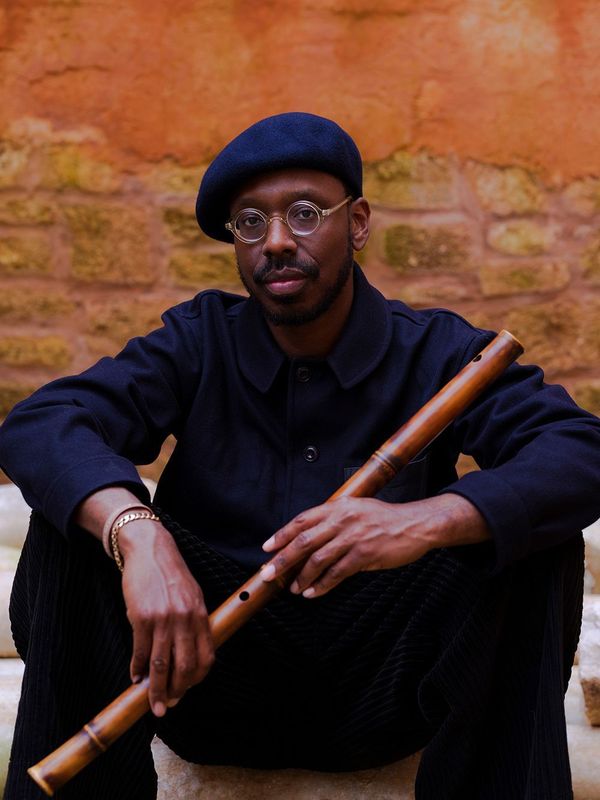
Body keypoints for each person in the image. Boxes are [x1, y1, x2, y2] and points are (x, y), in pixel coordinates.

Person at [1, 112, 599, 800]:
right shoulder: (196, 340)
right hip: (202, 681)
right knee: (71, 520)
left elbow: (582, 450)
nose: (277, 242)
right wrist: (138, 535)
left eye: (306, 213)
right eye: (250, 222)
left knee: (529, 536)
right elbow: (42, 422)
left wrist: (428, 520)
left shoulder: (441, 352)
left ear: (360, 222)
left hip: (393, 686)